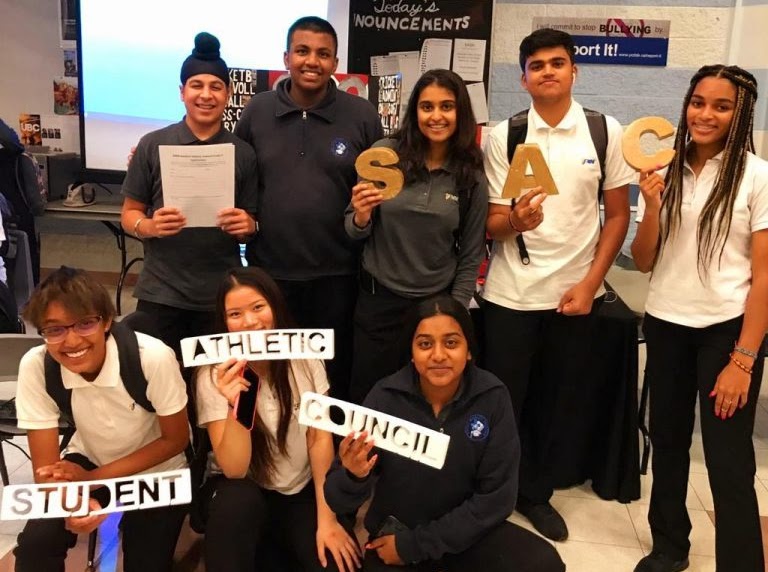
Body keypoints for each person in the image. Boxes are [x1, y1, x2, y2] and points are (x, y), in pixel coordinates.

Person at [480, 27, 634, 541]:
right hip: (510, 295)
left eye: (557, 62)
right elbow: (492, 224)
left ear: (574, 71)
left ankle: (535, 494)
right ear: (523, 78)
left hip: (573, 297)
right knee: (506, 402)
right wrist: (515, 223)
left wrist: (592, 283)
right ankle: (494, 492)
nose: (548, 71)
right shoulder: (505, 135)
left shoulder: (604, 130)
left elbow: (616, 217)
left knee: (554, 403)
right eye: (537, 65)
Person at [631, 65, 768, 572]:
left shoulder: (757, 178)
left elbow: (765, 277)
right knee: (667, 442)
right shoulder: (664, 169)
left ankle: (741, 563)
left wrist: (744, 360)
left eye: (721, 106)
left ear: (741, 113)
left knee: (728, 460)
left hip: (725, 332)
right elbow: (644, 260)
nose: (705, 114)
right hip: (666, 323)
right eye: (698, 102)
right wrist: (650, 207)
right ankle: (669, 546)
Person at [324, 295, 565, 572]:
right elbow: (336, 498)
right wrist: (353, 476)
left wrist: (417, 545)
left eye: (451, 342)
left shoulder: (493, 397)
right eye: (425, 344)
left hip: (464, 535)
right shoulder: (385, 396)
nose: (438, 355)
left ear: (469, 350)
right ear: (412, 354)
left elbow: (498, 500)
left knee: (543, 563)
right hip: (397, 535)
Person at [234, 16, 382, 401]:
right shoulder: (257, 111)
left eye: (322, 54)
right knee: (270, 373)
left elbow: (381, 184)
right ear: (286, 57)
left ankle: (327, 456)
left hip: (338, 274)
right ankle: (269, 454)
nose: (311, 61)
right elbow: (230, 170)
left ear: (335, 62)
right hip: (270, 273)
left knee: (331, 375)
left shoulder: (361, 115)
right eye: (302, 51)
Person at [13, 266, 189, 571]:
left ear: (105, 321)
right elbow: (47, 469)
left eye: (84, 324)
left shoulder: (152, 357)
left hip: (156, 470)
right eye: (54, 329)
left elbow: (175, 439)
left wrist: (93, 483)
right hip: (89, 458)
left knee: (146, 561)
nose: (70, 341)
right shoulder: (36, 365)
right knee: (36, 542)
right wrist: (73, 504)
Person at [194, 267, 361, 572]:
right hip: (240, 490)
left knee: (339, 562)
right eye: (235, 314)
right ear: (223, 322)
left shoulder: (306, 356)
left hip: (299, 489)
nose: (250, 322)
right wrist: (237, 403)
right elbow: (234, 468)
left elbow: (319, 438)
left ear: (275, 306)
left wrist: (328, 521)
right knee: (238, 502)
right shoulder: (212, 374)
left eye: (258, 307)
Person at [345, 68, 488, 404]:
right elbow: (351, 229)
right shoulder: (385, 155)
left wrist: (454, 312)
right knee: (369, 400)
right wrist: (362, 214)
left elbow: (470, 253)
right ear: (415, 111)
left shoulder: (471, 174)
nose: (436, 116)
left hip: (433, 306)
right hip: (378, 302)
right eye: (427, 107)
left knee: (425, 403)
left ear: (460, 112)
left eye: (446, 106)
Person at [121, 31, 258, 357]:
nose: (205, 95)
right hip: (161, 292)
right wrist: (149, 227)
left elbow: (253, 222)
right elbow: (129, 213)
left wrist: (247, 227)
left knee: (215, 386)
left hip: (221, 293)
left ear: (227, 94)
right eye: (196, 85)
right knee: (159, 383)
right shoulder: (152, 144)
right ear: (182, 92)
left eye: (216, 86)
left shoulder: (244, 153)